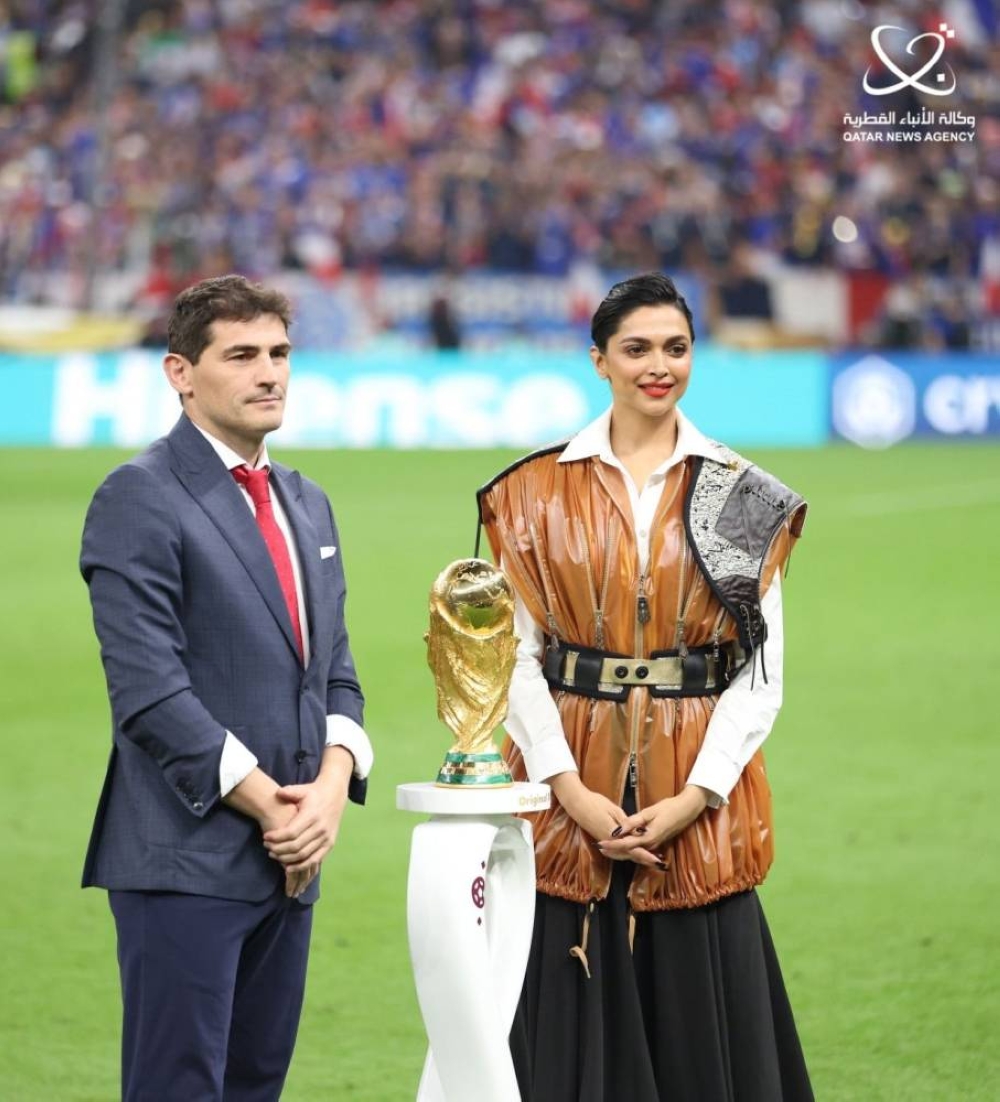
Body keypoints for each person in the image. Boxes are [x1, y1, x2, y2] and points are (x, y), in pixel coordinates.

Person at [477, 272, 813, 1101]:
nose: (658, 366)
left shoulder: (739, 494)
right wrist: (570, 793)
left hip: (696, 812)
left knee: (703, 1043)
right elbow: (513, 661)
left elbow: (757, 677)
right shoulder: (532, 491)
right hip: (567, 802)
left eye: (675, 348)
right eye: (636, 349)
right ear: (600, 361)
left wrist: (697, 796)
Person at [79, 274, 373, 1100]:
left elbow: (337, 672)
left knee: (254, 1086)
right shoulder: (138, 494)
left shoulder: (306, 501)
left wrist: (330, 786)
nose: (269, 373)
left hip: (291, 859)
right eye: (241, 355)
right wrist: (271, 803)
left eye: (279, 353)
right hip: (184, 858)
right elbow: (147, 691)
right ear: (181, 372)